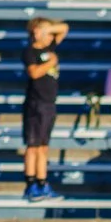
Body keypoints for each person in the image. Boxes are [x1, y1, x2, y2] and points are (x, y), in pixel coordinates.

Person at [19, 17, 68, 202]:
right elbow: (34, 72)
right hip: (35, 103)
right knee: (33, 146)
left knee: (44, 147)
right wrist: (51, 63)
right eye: (47, 32)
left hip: (49, 102)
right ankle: (30, 184)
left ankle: (42, 182)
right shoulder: (30, 51)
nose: (51, 36)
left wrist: (48, 29)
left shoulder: (50, 48)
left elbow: (64, 28)